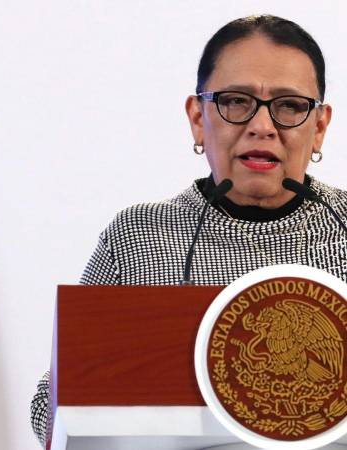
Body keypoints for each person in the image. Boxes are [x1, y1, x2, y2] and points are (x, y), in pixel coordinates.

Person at [30, 14, 347, 447]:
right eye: (237, 101)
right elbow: (49, 402)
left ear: (320, 127)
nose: (263, 125)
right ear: (199, 117)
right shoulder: (138, 237)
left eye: (289, 105)